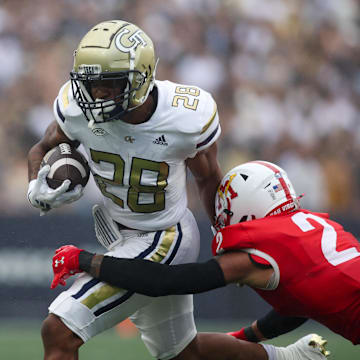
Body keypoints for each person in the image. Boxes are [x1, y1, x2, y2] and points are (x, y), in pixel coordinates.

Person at [26, 19, 327, 360]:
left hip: (163, 236)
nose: (97, 95)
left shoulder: (185, 117)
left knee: (59, 329)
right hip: (118, 234)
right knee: (184, 353)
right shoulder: (75, 107)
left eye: (109, 84)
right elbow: (42, 148)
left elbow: (208, 178)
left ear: (141, 78)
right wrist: (36, 183)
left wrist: (227, 239)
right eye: (92, 84)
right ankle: (293, 358)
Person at [52, 160, 360, 349]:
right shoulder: (313, 225)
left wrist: (87, 260)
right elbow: (302, 302)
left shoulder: (254, 257)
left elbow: (166, 281)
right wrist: (247, 337)